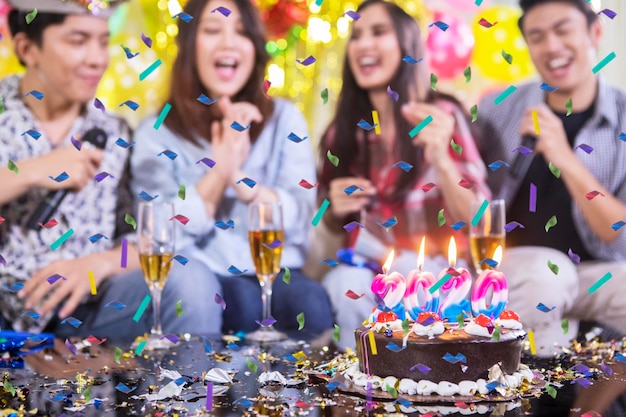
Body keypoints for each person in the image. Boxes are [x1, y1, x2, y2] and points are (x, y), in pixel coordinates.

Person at [0, 0, 212, 343]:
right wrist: (29, 172)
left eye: (103, 41)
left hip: (89, 313)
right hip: (7, 313)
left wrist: (102, 263)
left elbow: (144, 233)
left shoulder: (117, 134)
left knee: (190, 281)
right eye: (78, 40)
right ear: (28, 47)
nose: (98, 59)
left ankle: (187, 397)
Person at [130, 0, 334, 340]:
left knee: (310, 303)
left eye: (241, 32)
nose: (228, 42)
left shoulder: (284, 118)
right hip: (207, 272)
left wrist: (244, 183)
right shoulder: (157, 131)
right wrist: (220, 169)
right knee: (239, 303)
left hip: (279, 272)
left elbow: (301, 218)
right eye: (212, 30)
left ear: (255, 47)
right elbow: (157, 234)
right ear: (189, 46)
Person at [318, 0, 490, 350]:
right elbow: (330, 221)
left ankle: (427, 378)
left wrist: (441, 159)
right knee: (340, 282)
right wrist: (334, 208)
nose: (364, 45)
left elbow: (480, 220)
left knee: (416, 271)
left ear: (407, 46)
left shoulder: (443, 114)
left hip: (438, 271)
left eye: (379, 32)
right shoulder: (343, 132)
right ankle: (371, 382)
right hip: (371, 270)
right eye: (356, 36)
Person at [477, 0, 626, 357]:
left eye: (563, 30)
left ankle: (597, 407)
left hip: (592, 273)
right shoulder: (497, 109)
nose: (552, 47)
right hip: (519, 272)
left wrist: (564, 157)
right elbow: (469, 206)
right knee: (549, 273)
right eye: (538, 37)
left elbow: (619, 234)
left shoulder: (622, 116)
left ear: (595, 31)